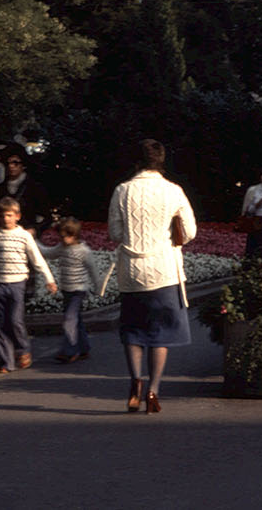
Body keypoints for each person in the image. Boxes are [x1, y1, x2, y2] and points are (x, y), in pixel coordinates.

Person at [108, 139, 196, 414]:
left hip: (132, 273)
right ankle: (153, 391)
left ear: (136, 162)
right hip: (164, 272)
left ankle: (135, 381)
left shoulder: (122, 190)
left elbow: (115, 233)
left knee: (133, 331)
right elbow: (190, 231)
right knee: (160, 335)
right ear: (161, 161)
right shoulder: (174, 191)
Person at [0, 196, 57, 373]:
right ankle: (6, 361)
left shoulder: (24, 236)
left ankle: (23, 349)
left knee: (15, 320)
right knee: (0, 323)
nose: (6, 219)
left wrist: (49, 279)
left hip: (17, 284)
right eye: (2, 216)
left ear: (17, 216)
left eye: (9, 215)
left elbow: (37, 259)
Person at [45, 217, 105, 364]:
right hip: (66, 290)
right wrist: (32, 242)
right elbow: (48, 253)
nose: (64, 240)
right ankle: (84, 348)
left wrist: (98, 288)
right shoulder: (61, 248)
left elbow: (93, 271)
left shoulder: (84, 251)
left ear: (75, 235)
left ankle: (70, 350)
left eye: (67, 236)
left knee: (69, 320)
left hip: (78, 290)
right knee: (76, 320)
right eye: (62, 236)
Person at [0, 147, 53, 238]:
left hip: (27, 237)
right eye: (7, 163)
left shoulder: (34, 187)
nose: (11, 166)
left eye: (15, 163)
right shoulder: (0, 189)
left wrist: (35, 230)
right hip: (6, 238)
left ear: (23, 165)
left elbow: (46, 217)